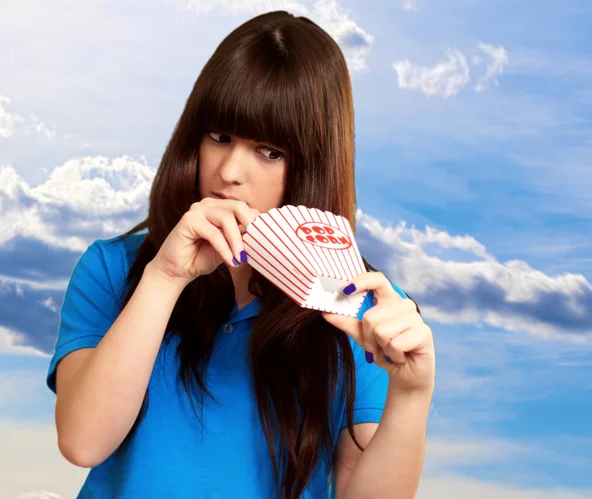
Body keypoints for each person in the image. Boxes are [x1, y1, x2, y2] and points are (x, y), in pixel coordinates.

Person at [46, 10, 435, 499]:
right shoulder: (113, 268)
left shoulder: (361, 303)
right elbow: (82, 442)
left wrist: (413, 394)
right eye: (220, 137)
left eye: (269, 151)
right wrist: (164, 278)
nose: (230, 171)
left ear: (312, 166)